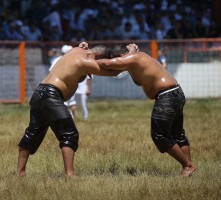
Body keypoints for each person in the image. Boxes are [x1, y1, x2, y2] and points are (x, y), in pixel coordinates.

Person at [17, 42, 139, 178]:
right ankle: (70, 174)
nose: (100, 64)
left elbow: (83, 47)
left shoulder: (76, 50)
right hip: (51, 96)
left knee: (32, 134)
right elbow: (114, 71)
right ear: (96, 56)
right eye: (99, 61)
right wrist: (132, 54)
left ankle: (20, 173)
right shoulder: (86, 61)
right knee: (69, 133)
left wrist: (83, 46)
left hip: (39, 93)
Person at [95, 44, 197, 177]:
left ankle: (188, 166)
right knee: (178, 135)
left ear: (120, 57)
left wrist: (88, 61)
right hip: (174, 94)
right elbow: (115, 67)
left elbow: (108, 64)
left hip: (167, 96)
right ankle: (187, 168)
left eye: (117, 61)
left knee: (159, 135)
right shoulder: (133, 60)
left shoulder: (135, 57)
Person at [49, 45, 76, 118]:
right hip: (72, 83)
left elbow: (51, 71)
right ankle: (72, 119)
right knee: (72, 103)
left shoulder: (57, 59)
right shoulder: (74, 60)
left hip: (59, 83)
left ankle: (64, 118)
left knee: (62, 102)